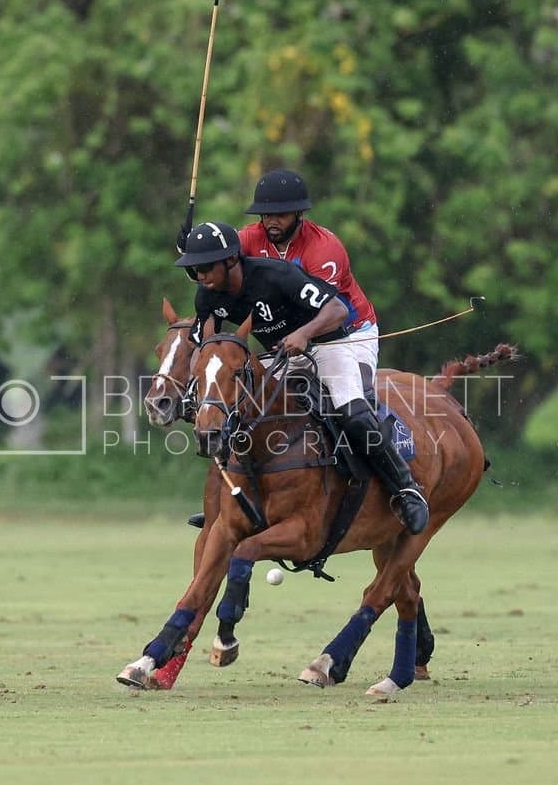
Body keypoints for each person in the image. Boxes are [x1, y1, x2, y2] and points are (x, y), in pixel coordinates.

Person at [175, 221, 429, 535]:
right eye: (194, 269)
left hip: (328, 345)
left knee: (352, 411)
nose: (199, 275)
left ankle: (405, 489)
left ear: (229, 260)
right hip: (282, 355)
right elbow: (203, 346)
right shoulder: (208, 297)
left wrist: (304, 334)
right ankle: (230, 502)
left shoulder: (276, 275)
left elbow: (337, 311)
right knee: (239, 410)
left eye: (204, 267)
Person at [238, 167, 380, 390]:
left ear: (299, 214)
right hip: (291, 341)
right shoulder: (250, 238)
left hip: (350, 333)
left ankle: (383, 414)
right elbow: (219, 262)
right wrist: (192, 248)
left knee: (356, 392)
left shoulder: (324, 248)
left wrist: (302, 334)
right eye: (266, 215)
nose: (272, 222)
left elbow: (329, 312)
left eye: (281, 215)